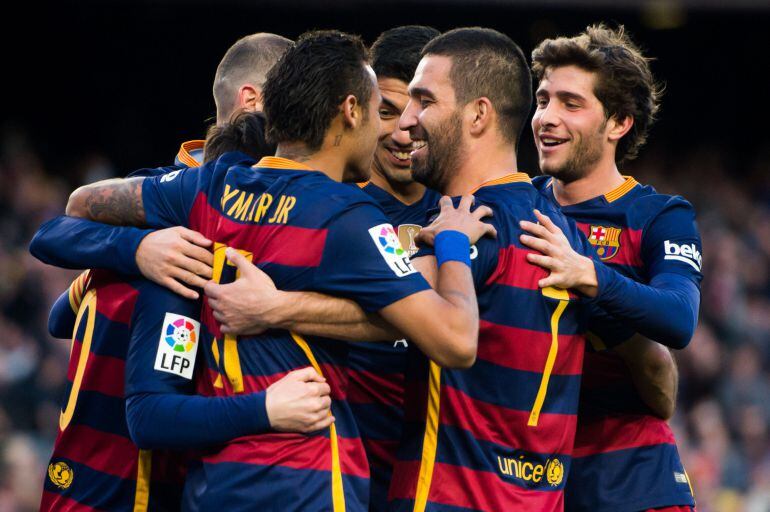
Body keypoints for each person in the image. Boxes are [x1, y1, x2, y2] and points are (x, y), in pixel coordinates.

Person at [61, 30, 494, 511]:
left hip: (212, 487)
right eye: (379, 112)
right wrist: (452, 242)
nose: (388, 131)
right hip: (305, 485)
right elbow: (455, 341)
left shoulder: (209, 187)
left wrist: (140, 248)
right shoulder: (346, 217)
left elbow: (82, 204)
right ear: (350, 111)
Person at [520, 24, 701, 511]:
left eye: (571, 104)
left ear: (618, 122)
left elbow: (679, 318)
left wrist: (590, 276)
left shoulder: (658, 215)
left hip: (634, 482)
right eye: (543, 100)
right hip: (528, 479)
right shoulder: (516, 206)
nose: (547, 118)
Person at [350, 25, 441, 511]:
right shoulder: (330, 205)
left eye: (420, 109)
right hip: (339, 457)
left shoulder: (468, 211)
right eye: (387, 111)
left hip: (435, 468)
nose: (405, 128)